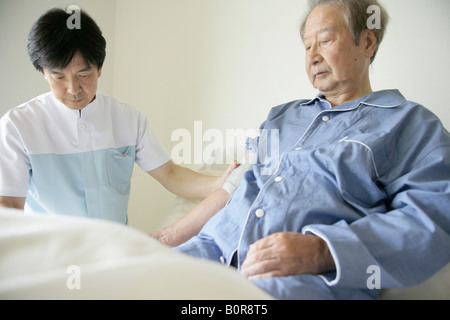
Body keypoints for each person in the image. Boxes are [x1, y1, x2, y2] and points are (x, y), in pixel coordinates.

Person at [173, 0, 450, 299]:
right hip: (206, 255)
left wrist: (324, 250)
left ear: (367, 41)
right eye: (307, 47)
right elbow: (235, 184)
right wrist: (162, 239)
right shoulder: (280, 117)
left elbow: (432, 219)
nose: (313, 57)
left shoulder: (409, 124)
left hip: (293, 281)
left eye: (325, 41)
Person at [0, 8, 236, 224]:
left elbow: (171, 174)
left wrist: (221, 182)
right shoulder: (18, 126)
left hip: (114, 251)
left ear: (100, 68)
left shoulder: (128, 119)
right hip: (50, 254)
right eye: (59, 77)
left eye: (83, 74)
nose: (73, 88)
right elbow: (9, 205)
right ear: (44, 72)